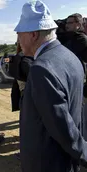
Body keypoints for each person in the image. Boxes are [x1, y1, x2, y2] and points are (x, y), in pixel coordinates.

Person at [15, 1, 87, 172]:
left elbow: (63, 127)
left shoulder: (41, 68)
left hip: (48, 163)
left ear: (33, 34)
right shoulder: (68, 55)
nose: (18, 39)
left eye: (20, 34)